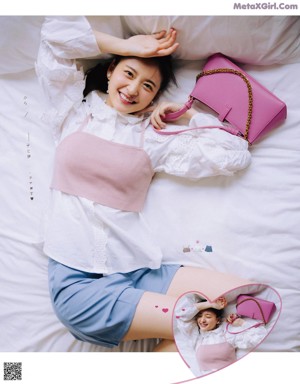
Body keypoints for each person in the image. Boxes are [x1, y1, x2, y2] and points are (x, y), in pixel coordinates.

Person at [36, 16, 252, 352]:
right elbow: (52, 34)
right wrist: (126, 46)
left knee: (246, 309)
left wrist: (186, 114)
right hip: (78, 283)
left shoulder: (153, 137)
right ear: (110, 71)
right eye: (129, 73)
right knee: (207, 320)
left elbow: (233, 154)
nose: (134, 89)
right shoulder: (70, 113)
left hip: (136, 272)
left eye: (148, 86)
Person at [174, 296, 267, 374]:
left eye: (208, 316)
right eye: (199, 316)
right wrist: (209, 304)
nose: (202, 320)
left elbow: (258, 337)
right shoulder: (196, 337)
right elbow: (180, 315)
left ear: (218, 320)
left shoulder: (228, 334)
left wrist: (240, 322)